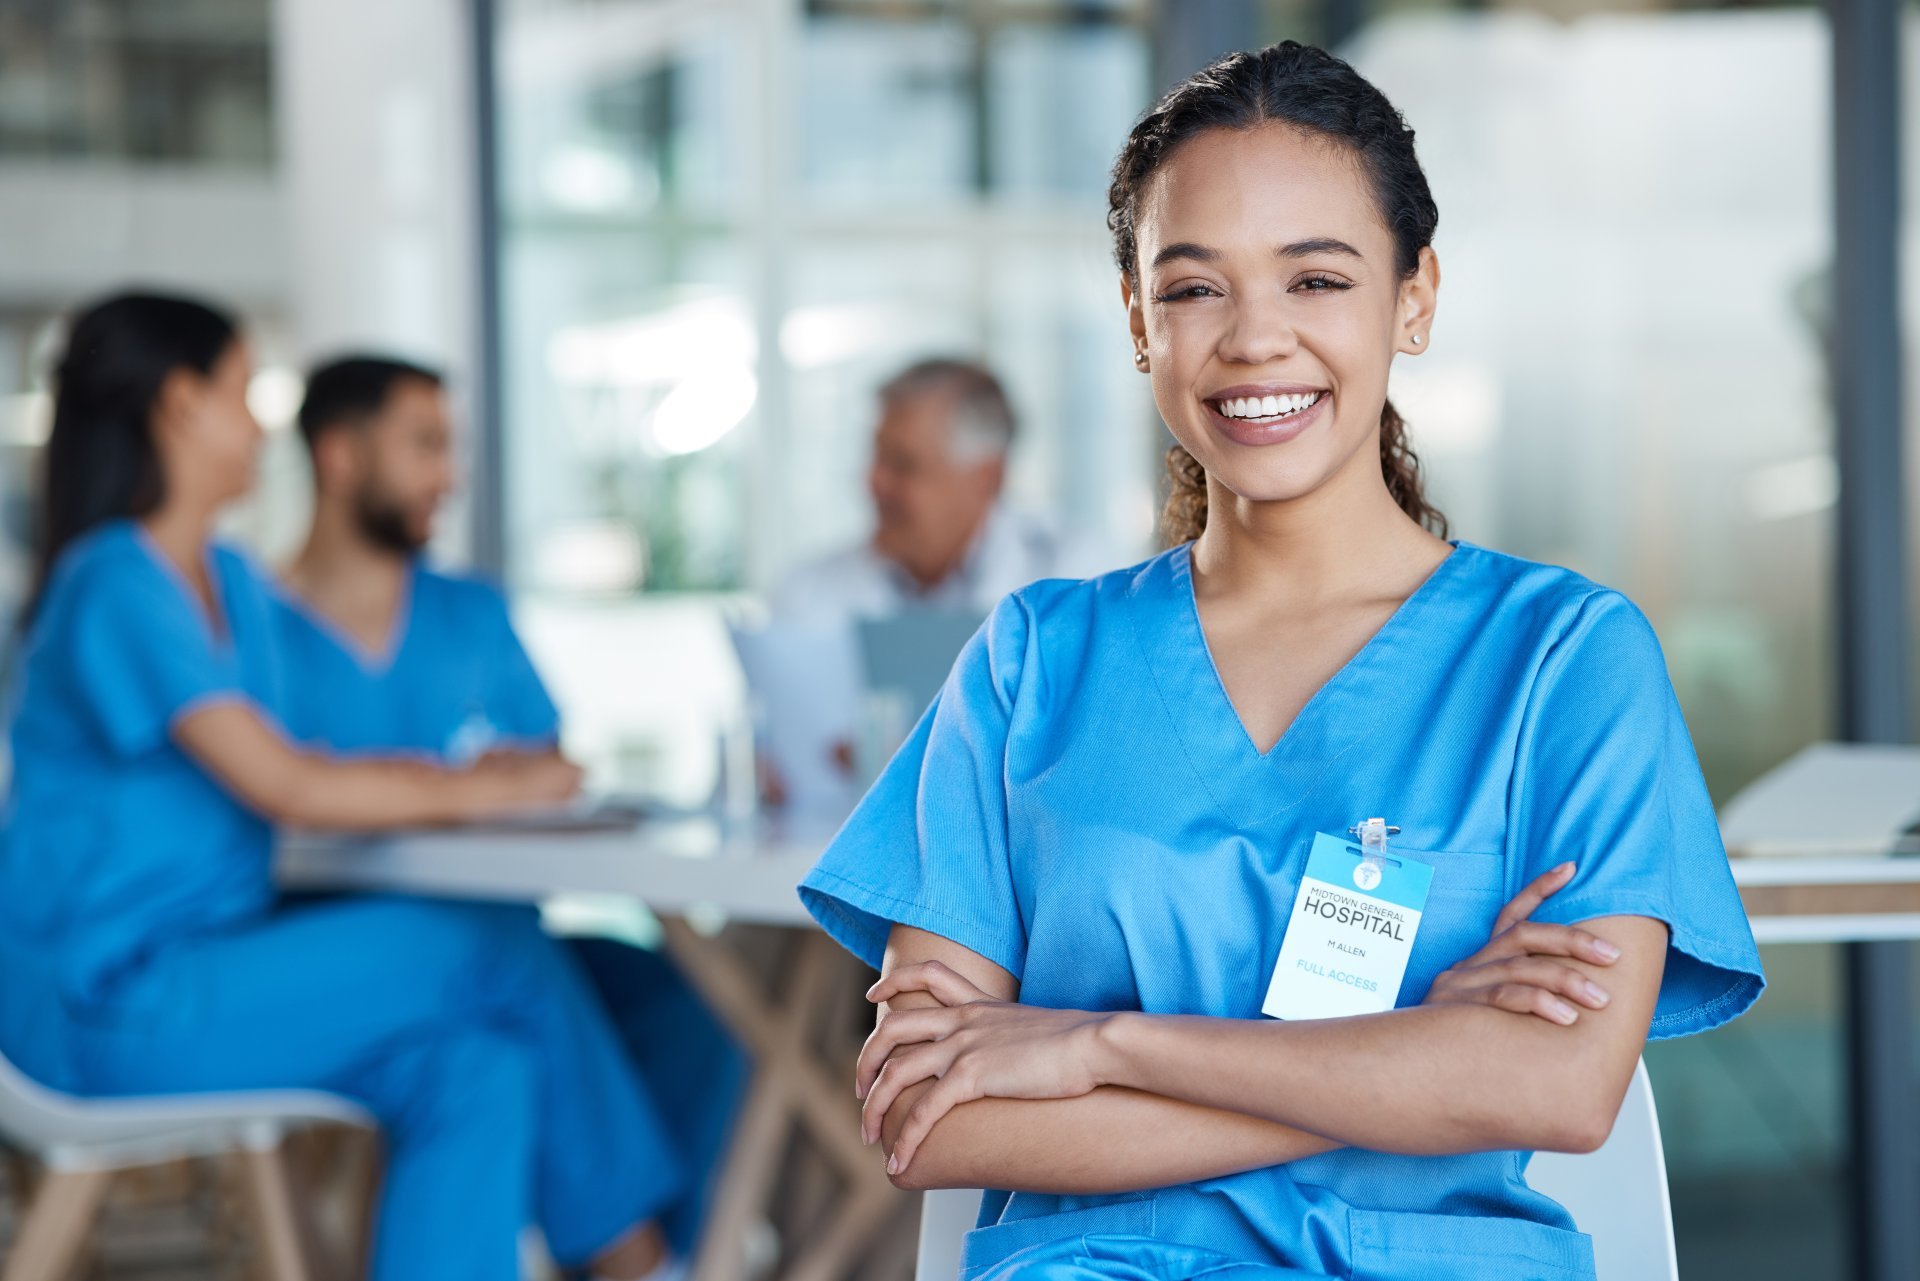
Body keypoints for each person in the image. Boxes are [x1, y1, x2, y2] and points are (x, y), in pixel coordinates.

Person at [799, 42, 1763, 1280]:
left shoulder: (1564, 659)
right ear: (1142, 322)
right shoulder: (1034, 662)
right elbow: (933, 1118)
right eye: (1196, 289)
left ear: (1414, 299)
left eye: (1316, 279)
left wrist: (1099, 1047)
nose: (1256, 339)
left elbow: (1563, 1085)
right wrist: (1416, 1056)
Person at [0, 294, 685, 1281]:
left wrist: (456, 776)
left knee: (478, 1071)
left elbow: (313, 751)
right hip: (108, 999)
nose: (261, 426)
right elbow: (288, 782)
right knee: (488, 944)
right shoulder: (113, 583)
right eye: (242, 393)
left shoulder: (233, 584)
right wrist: (486, 792)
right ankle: (642, 1263)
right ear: (180, 405)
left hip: (212, 971)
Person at [272, 352, 745, 1256]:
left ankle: (671, 1252)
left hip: (505, 937)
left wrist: (422, 787)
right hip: (341, 954)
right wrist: (469, 784)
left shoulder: (470, 612)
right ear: (338, 455)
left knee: (692, 1001)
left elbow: (552, 767)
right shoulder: (255, 628)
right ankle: (631, 1257)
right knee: (510, 1001)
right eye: (424, 446)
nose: (448, 476)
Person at [771, 358, 1106, 621]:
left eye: (903, 465)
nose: (874, 482)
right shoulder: (809, 593)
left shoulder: (1075, 576)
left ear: (987, 477)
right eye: (877, 458)